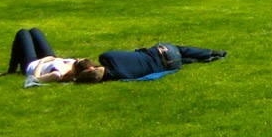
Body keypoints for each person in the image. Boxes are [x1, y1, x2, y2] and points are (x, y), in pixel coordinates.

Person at [83, 41, 227, 82]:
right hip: (166, 51)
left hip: (171, 65)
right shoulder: (107, 57)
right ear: (91, 69)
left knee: (179, 59)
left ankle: (202, 59)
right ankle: (212, 53)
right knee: (180, 49)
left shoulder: (122, 77)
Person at [3, 28, 83, 84]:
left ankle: (11, 70)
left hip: (31, 64)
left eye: (80, 60)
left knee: (22, 33)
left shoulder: (58, 74)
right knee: (34, 31)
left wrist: (42, 61)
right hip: (50, 59)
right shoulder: (74, 63)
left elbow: (35, 79)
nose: (79, 59)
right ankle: (11, 70)